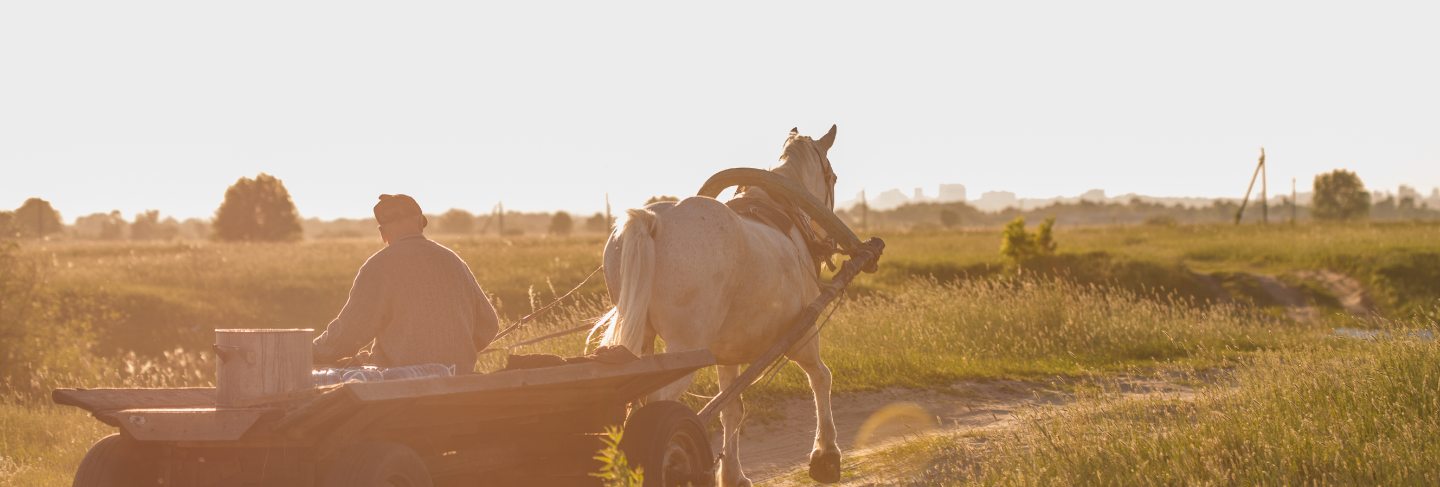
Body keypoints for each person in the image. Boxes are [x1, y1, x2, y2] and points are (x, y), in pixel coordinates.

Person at [312, 194, 499, 373]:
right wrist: (450, 353)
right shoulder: (453, 260)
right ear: (420, 223)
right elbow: (488, 325)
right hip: (460, 381)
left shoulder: (378, 267)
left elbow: (349, 333)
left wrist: (312, 352)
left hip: (402, 390)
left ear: (382, 233)